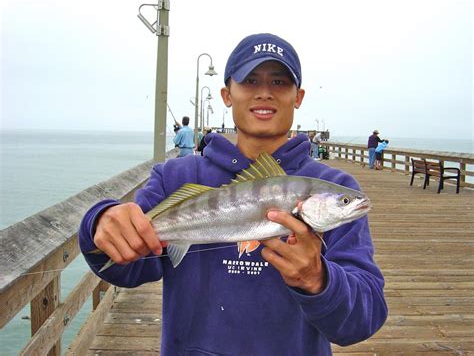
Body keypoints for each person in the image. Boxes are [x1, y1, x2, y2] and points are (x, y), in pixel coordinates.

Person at [79, 33, 387, 355]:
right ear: (227, 94)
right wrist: (99, 222)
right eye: (250, 81)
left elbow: (363, 321)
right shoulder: (175, 178)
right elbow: (123, 267)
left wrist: (319, 279)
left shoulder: (336, 184)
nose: (265, 93)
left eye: (280, 82)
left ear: (299, 96)